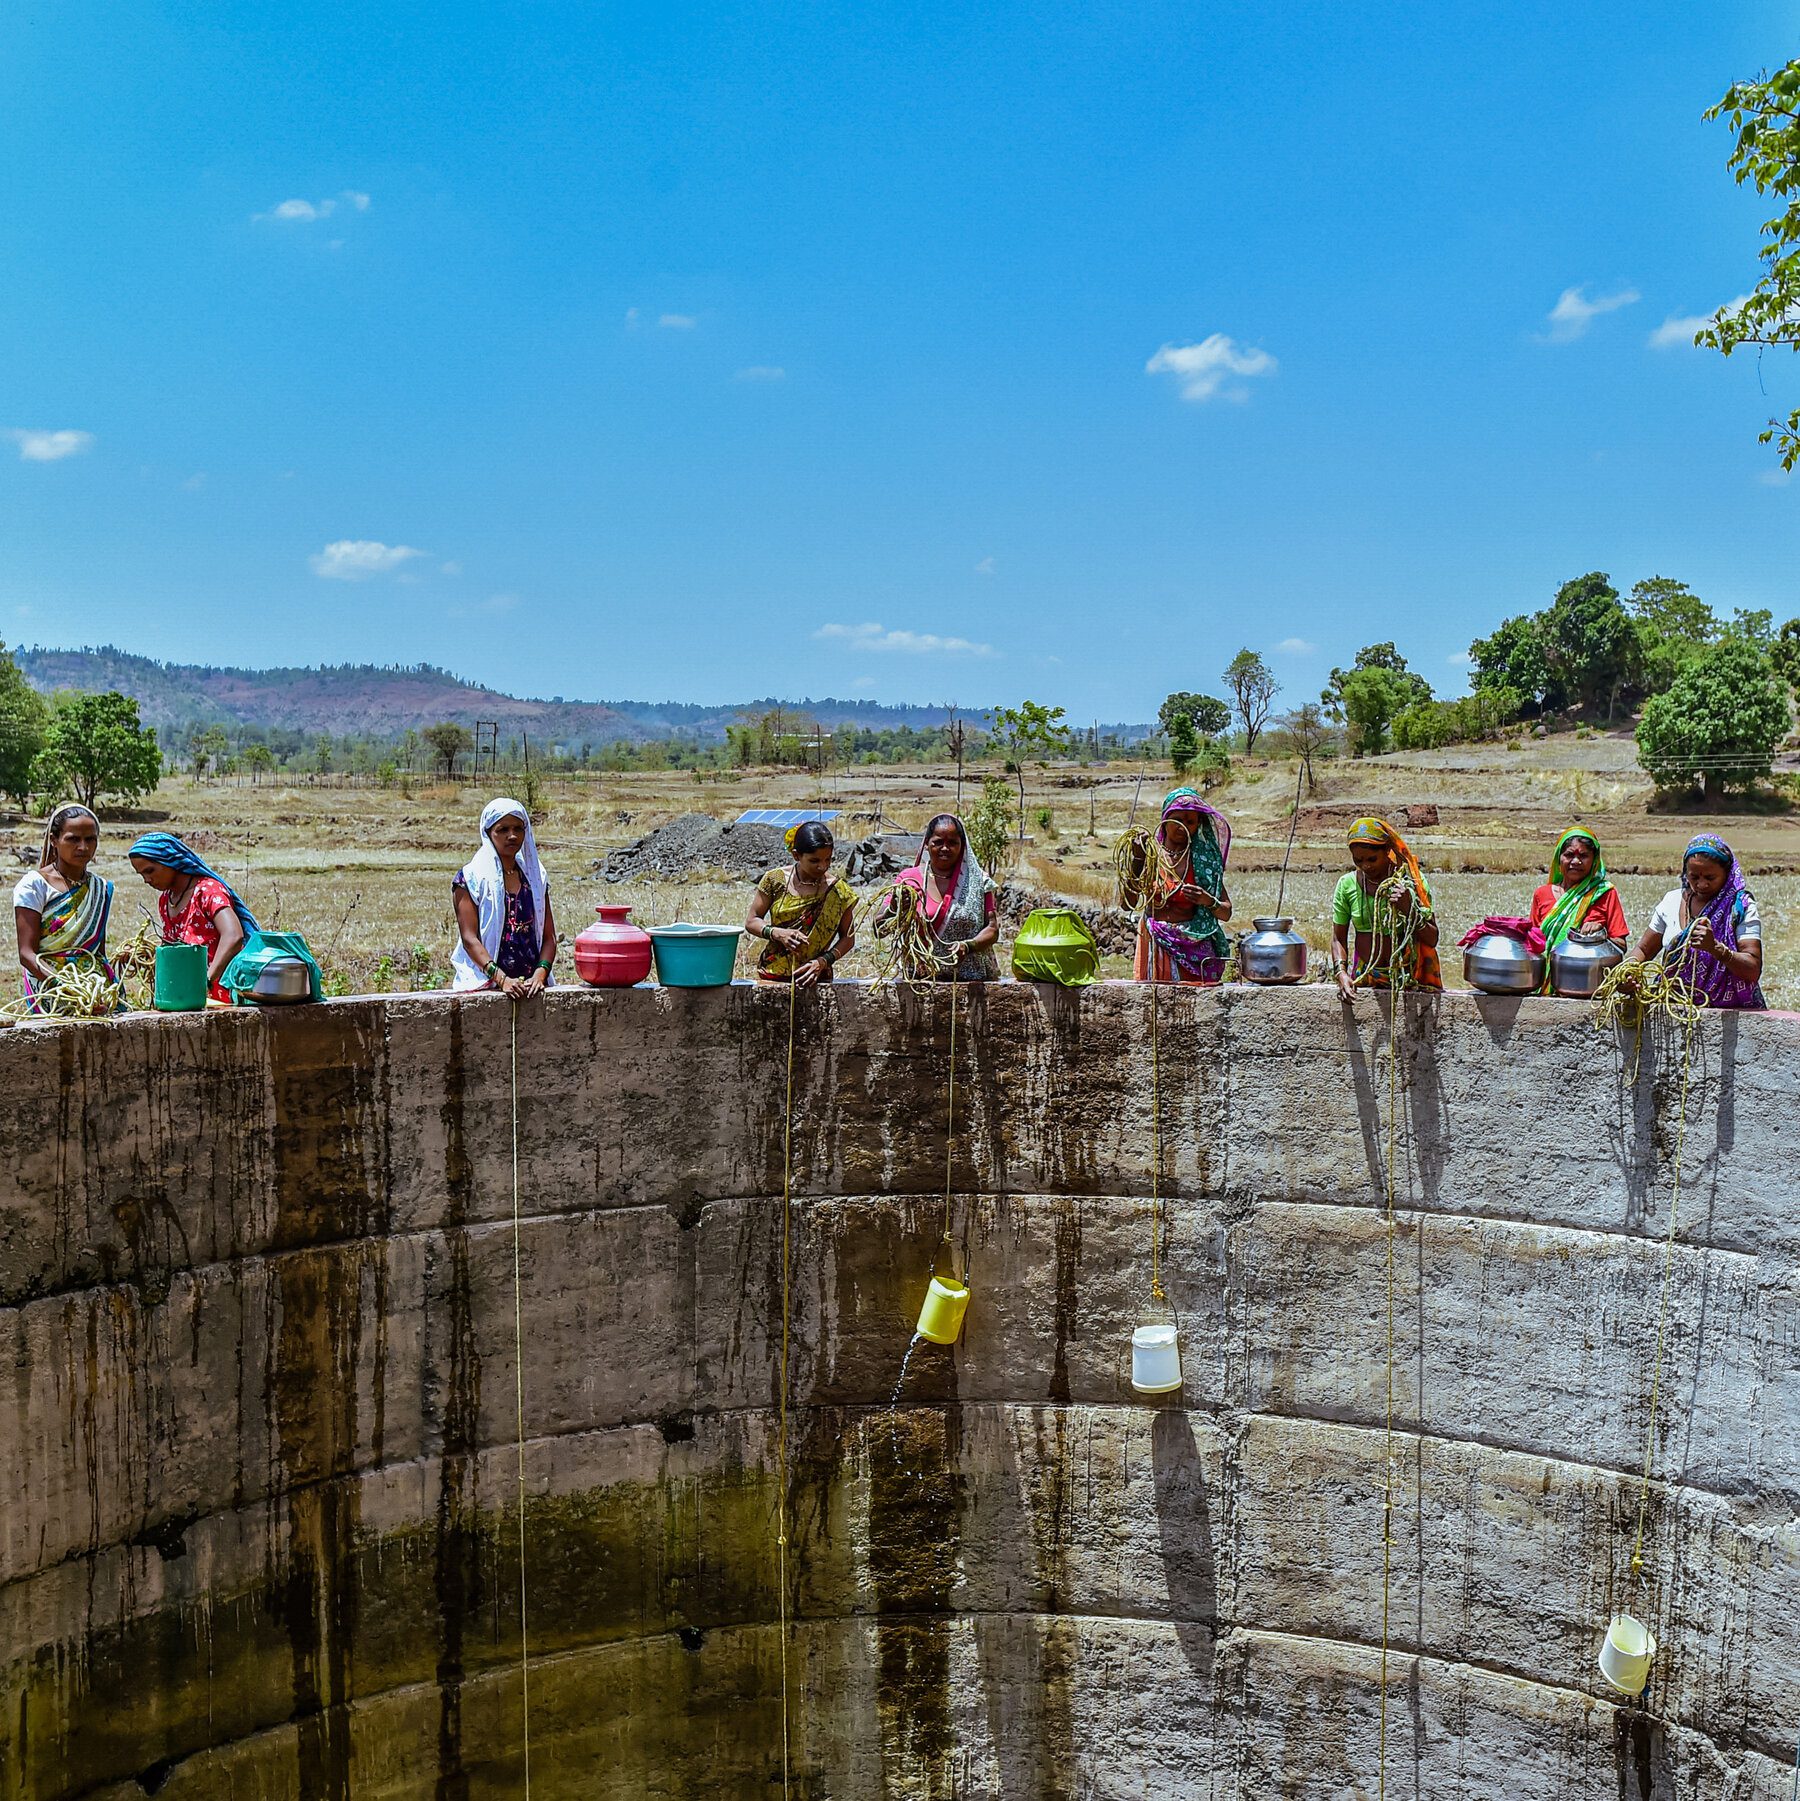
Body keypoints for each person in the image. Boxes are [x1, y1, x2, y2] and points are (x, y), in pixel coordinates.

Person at [1636, 833, 1765, 1010]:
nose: (1701, 884)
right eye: (1694, 877)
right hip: (1674, 1007)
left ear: (1727, 874)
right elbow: (1643, 950)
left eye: (1710, 878)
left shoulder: (1740, 907)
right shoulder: (1671, 901)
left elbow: (1752, 970)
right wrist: (1627, 972)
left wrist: (1716, 948)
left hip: (1728, 1014)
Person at [12, 803, 120, 1012]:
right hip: (50, 989)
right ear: (54, 840)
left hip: (95, 991)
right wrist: (69, 989)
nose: (83, 847)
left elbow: (97, 952)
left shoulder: (100, 888)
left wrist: (99, 992)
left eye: (90, 839)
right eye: (73, 839)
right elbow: (26, 953)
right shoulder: (34, 885)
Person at [127, 832, 258, 1003]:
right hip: (186, 994)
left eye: (150, 871)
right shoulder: (166, 900)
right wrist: (141, 956)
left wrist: (206, 981)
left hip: (220, 993)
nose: (147, 880)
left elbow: (233, 936)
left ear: (170, 860)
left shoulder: (207, 891)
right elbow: (173, 949)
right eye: (141, 874)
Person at [451, 798, 559, 995]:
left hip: (531, 989)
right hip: (487, 986)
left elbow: (549, 937)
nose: (512, 836)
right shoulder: (471, 878)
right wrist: (502, 979)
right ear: (488, 833)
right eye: (503, 830)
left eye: (518, 829)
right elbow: (469, 938)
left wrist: (540, 974)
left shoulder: (535, 878)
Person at [1331, 816, 1442, 998]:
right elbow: (1338, 938)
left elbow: (1432, 939)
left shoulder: (1411, 882)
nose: (1365, 866)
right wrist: (1341, 972)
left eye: (1372, 859)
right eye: (1358, 860)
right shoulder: (1346, 885)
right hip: (1368, 976)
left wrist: (1408, 908)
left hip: (1411, 977)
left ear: (1388, 850)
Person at [1133, 786, 1234, 984]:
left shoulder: (1204, 862)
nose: (1183, 826)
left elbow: (1226, 913)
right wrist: (1137, 859)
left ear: (1199, 825)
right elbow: (1128, 902)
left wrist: (1207, 900)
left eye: (1190, 822)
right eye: (1177, 819)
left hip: (1193, 946)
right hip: (1155, 943)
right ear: (1164, 820)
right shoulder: (1150, 855)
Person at [889, 813, 1001, 981]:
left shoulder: (978, 882)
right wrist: (894, 908)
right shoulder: (908, 880)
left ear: (962, 846)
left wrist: (968, 946)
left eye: (952, 843)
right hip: (921, 979)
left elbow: (992, 930)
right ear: (926, 844)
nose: (945, 848)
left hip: (969, 981)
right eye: (938, 842)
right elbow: (879, 927)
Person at [745, 821, 857, 986]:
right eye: (814, 861)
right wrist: (777, 933)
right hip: (773, 975)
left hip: (816, 979)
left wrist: (823, 962)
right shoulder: (775, 880)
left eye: (828, 859)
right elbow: (751, 921)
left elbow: (848, 938)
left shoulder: (839, 891)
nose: (823, 866)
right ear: (796, 855)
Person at [1529, 828, 1629, 992]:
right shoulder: (1542, 894)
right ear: (1558, 858)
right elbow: (1533, 944)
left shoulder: (1605, 893)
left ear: (1594, 860)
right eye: (1569, 855)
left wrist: (1600, 935)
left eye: (1583, 856)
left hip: (1588, 988)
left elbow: (1620, 945)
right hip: (1543, 988)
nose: (1575, 861)